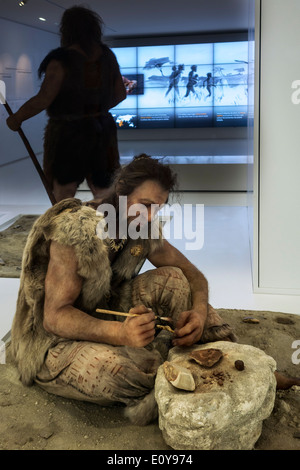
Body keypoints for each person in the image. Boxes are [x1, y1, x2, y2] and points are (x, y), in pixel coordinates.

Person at [10, 154, 236, 425]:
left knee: (175, 279)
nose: (151, 216)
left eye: (158, 207)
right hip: (52, 342)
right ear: (121, 193)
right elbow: (55, 317)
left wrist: (198, 314)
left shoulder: (141, 227)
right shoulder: (76, 232)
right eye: (145, 205)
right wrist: (120, 333)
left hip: (108, 311)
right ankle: (181, 378)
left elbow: (193, 275)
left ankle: (228, 363)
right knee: (122, 370)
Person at [6, 6, 126, 202]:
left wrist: (17, 118)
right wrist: (96, 111)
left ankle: (65, 230)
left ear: (67, 30)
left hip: (68, 135)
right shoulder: (107, 56)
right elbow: (120, 94)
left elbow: (44, 98)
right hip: (102, 132)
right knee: (104, 190)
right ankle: (110, 230)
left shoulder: (61, 60)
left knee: (63, 192)